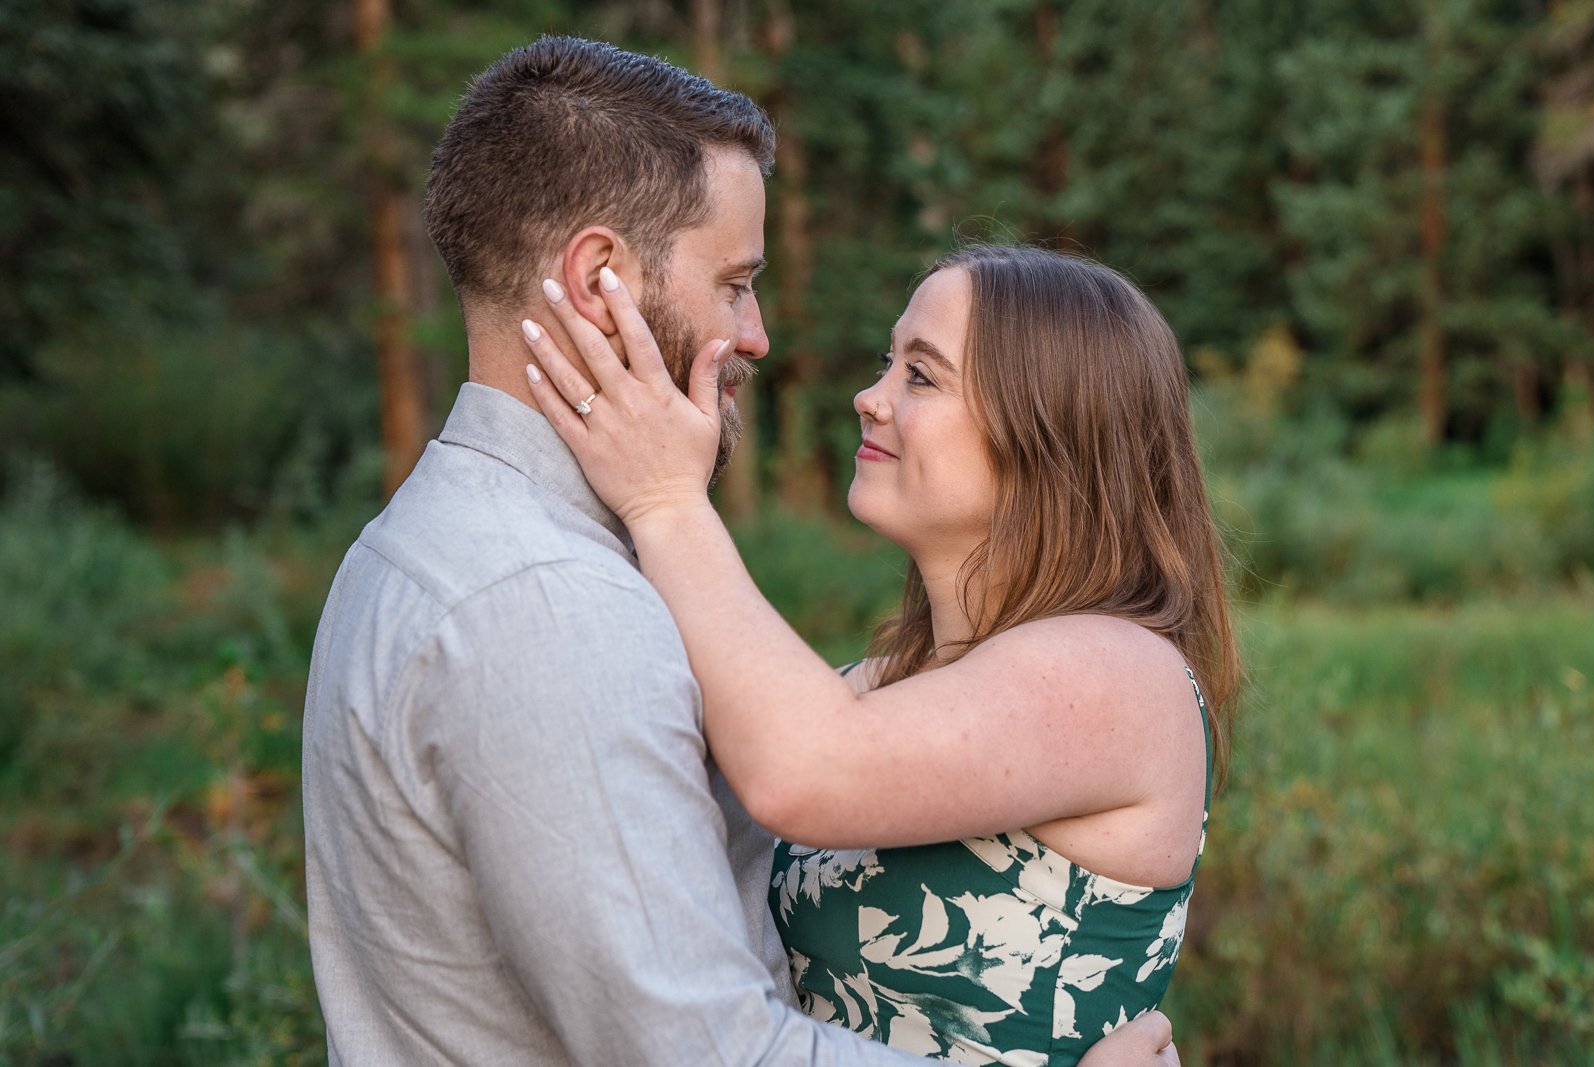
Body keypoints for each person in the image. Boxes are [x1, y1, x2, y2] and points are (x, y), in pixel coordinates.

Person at [301, 35, 1176, 1066]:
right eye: (734, 283)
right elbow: (699, 1046)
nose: (759, 335)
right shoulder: (550, 603)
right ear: (601, 282)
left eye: (923, 375)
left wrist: (668, 509)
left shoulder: (429, 547)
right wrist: (669, 500)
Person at [518, 243, 1239, 1064]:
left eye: (921, 376)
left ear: (1051, 431)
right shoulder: (883, 684)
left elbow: (804, 772)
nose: (869, 398)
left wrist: (664, 499)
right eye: (885, 363)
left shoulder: (1119, 675)